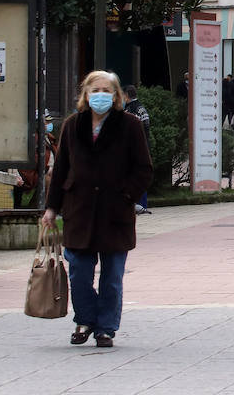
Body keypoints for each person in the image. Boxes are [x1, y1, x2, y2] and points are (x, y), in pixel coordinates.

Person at [41, 70, 153, 348]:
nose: (100, 95)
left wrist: (126, 195)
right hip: (79, 210)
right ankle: (85, 318)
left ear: (116, 96)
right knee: (78, 271)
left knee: (112, 277)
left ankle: (105, 327)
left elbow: (144, 169)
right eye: (95, 90)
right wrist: (51, 208)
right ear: (86, 94)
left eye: (107, 90)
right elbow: (61, 171)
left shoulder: (129, 126)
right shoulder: (72, 125)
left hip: (115, 212)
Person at [124, 85, 153, 215]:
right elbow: (146, 127)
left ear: (126, 95)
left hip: (133, 148)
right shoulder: (141, 108)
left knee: (133, 175)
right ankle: (143, 205)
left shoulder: (130, 109)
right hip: (144, 145)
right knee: (142, 174)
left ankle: (138, 205)